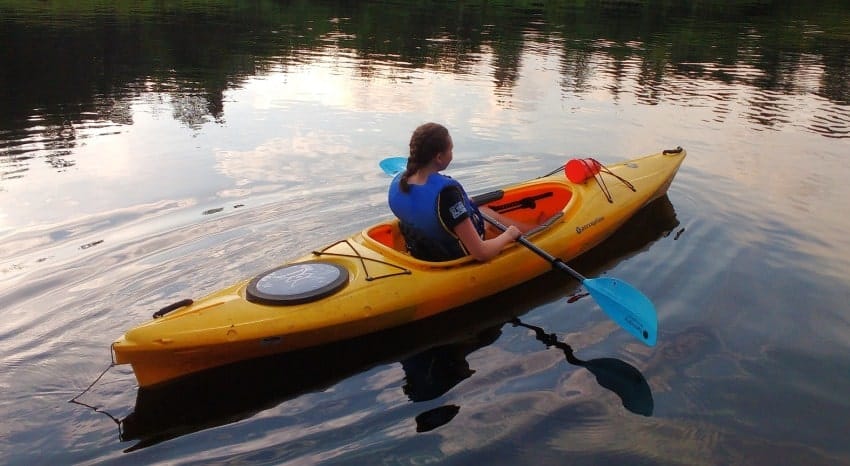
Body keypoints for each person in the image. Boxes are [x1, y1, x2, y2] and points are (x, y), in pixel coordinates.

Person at [388, 122, 537, 262]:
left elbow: (429, 209)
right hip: (449, 257)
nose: (452, 154)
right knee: (491, 217)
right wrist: (509, 234)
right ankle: (538, 233)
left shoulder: (403, 179)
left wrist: (462, 205)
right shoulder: (447, 196)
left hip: (420, 249)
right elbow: (481, 253)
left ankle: (535, 230)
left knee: (485, 212)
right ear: (439, 157)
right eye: (450, 150)